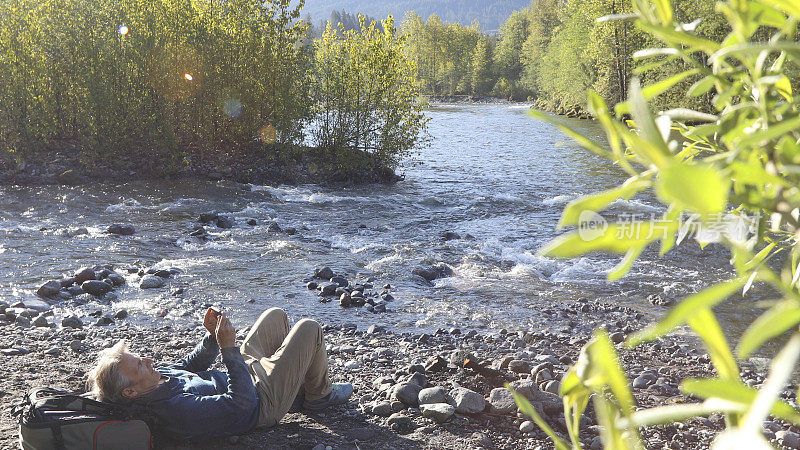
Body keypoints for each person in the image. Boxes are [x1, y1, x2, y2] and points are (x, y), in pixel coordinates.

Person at [86, 307, 353, 441]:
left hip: (242, 376)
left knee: (276, 316)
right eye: (140, 365)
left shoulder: (155, 381)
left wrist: (212, 338)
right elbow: (241, 405)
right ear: (130, 392)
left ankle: (294, 382)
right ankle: (318, 396)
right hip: (259, 402)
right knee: (309, 328)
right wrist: (229, 349)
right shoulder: (174, 409)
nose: (148, 360)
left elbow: (188, 365)